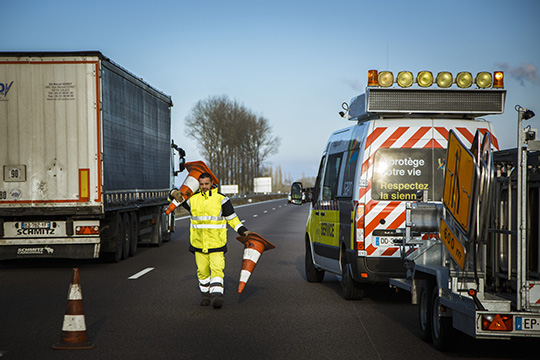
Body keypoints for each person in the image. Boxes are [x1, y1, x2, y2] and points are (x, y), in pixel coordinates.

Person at [178, 172, 249, 309]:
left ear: (211, 184)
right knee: (203, 272)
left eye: (206, 184)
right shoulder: (193, 199)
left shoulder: (221, 199)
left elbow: (232, 219)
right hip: (198, 243)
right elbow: (176, 201)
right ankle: (205, 295)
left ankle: (217, 296)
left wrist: (243, 230)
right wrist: (174, 193)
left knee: (217, 270)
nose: (204, 186)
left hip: (216, 243)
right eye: (201, 184)